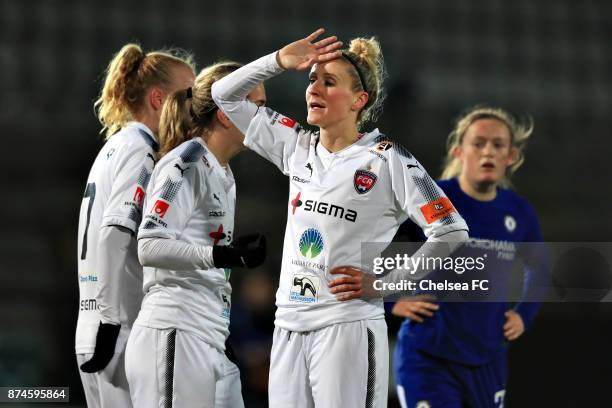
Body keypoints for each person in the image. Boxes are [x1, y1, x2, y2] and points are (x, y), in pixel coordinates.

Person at [211, 28, 469, 408]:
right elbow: (223, 94)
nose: (314, 88)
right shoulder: (297, 146)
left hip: (346, 327)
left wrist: (386, 283)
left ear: (358, 100)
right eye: (312, 79)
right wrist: (279, 60)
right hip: (288, 327)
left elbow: (452, 230)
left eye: (329, 82)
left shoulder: (387, 159)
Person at [124, 61, 267, 408]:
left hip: (210, 337)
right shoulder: (186, 162)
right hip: (175, 332)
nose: (268, 118)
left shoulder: (223, 173)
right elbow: (150, 245)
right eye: (258, 106)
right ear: (225, 113)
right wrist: (221, 255)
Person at [392, 106, 546, 408]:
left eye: (498, 144)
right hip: (427, 357)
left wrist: (523, 315)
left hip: (488, 360)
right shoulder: (433, 198)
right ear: (459, 151)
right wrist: (390, 300)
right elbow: (380, 243)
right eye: (478, 143)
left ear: (511, 156)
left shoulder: (519, 211)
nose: (488, 151)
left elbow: (539, 270)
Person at [76, 43, 195, 408]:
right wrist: (112, 323)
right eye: (188, 94)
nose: (196, 106)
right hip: (120, 328)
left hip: (93, 323)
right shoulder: (141, 151)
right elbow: (113, 232)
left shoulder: (114, 146)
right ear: (159, 99)